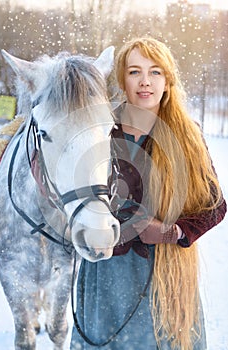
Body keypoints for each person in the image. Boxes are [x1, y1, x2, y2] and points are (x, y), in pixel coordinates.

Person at [70, 37, 227, 350]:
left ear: (167, 81)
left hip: (165, 278)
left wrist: (173, 231)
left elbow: (215, 206)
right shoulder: (99, 129)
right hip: (106, 274)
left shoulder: (187, 135)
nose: (145, 82)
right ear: (121, 79)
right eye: (134, 72)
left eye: (155, 72)